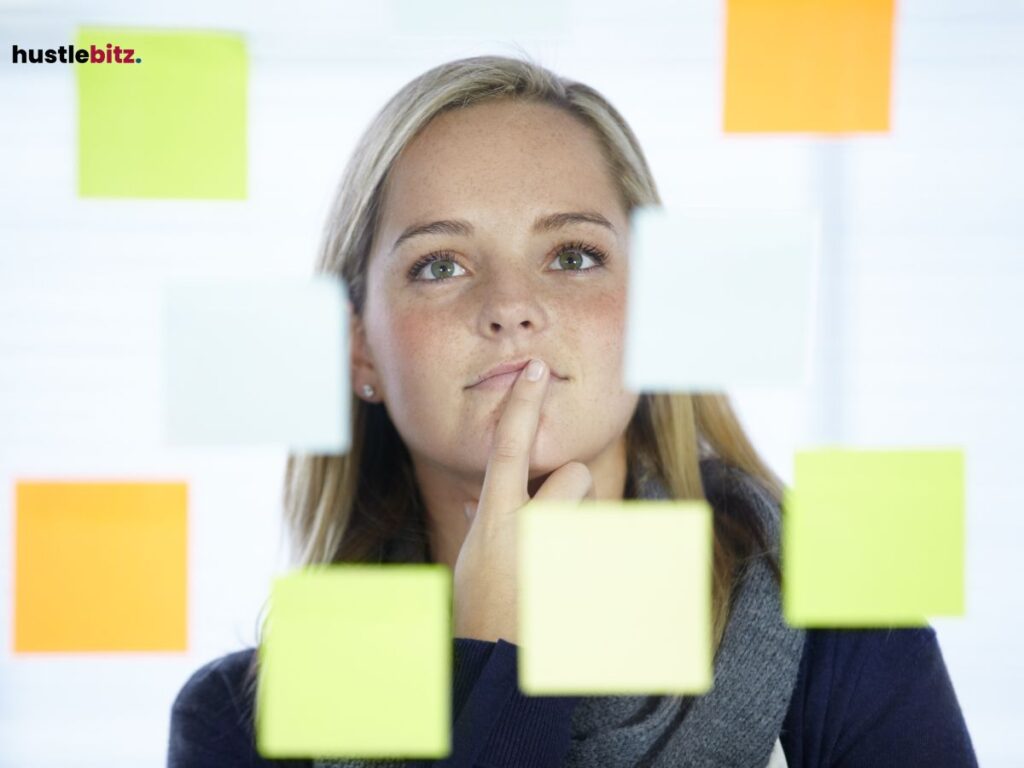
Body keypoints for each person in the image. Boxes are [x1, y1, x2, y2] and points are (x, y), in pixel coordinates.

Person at [167, 54, 977, 767]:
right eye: (441, 264)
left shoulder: (848, 645)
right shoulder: (236, 725)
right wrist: (500, 660)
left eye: (574, 255)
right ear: (361, 352)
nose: (512, 306)